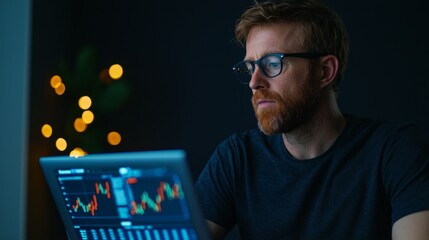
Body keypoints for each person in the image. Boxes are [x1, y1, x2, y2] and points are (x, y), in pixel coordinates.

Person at [195, 0, 429, 239]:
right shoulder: (237, 158)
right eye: (250, 67)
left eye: (273, 64)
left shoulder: (394, 152)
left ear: (325, 71)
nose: (255, 82)